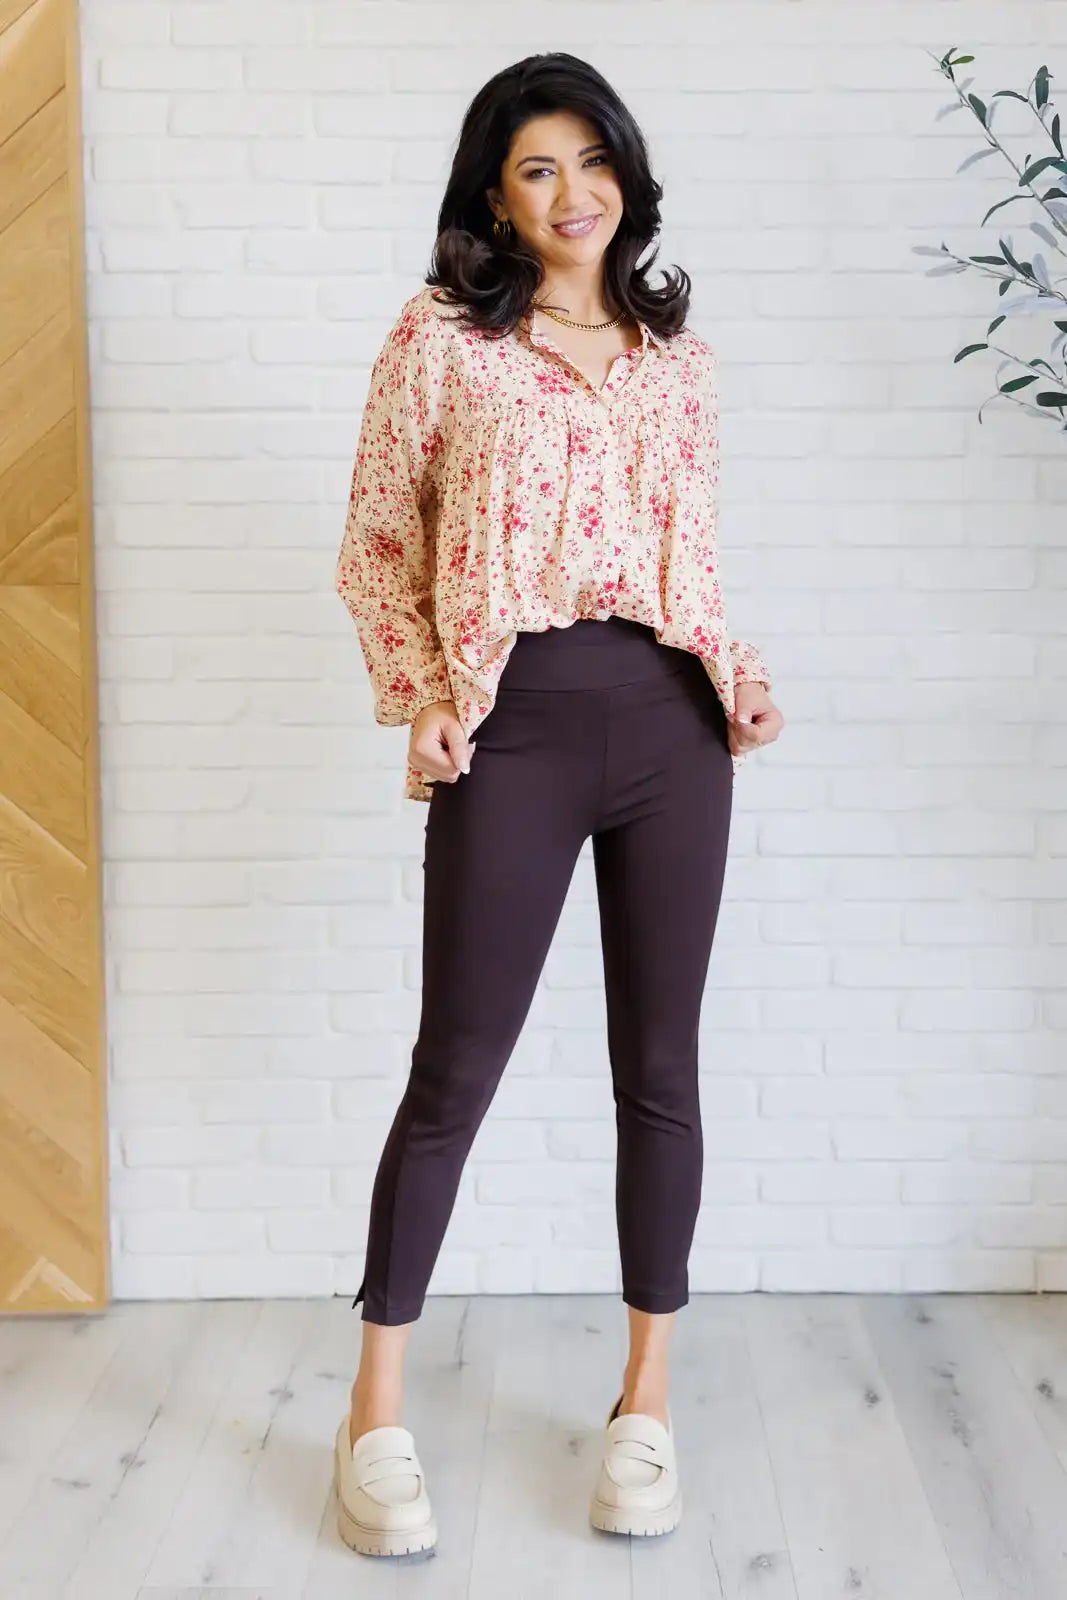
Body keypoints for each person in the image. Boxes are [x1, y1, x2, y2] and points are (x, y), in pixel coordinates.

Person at [331, 51, 784, 1558]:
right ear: (494, 193)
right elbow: (377, 544)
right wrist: (432, 698)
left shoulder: (681, 358)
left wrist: (735, 666)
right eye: (537, 168)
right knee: (453, 1070)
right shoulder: (444, 341)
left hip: (669, 727)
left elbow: (693, 554)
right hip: (513, 727)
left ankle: (647, 1404)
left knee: (661, 1070)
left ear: (627, 178)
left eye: (592, 163)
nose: (572, 193)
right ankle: (374, 1416)